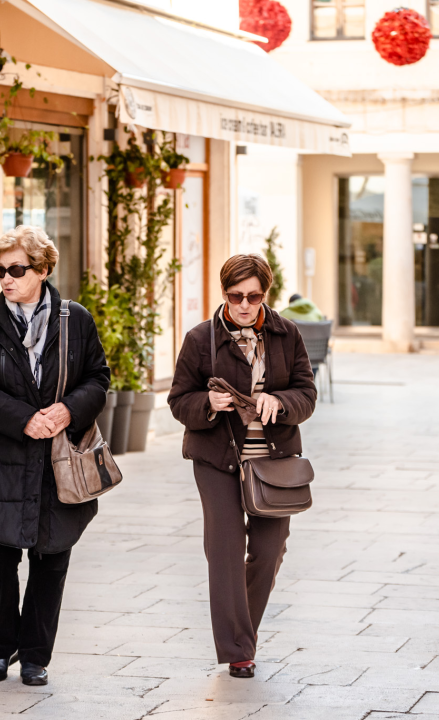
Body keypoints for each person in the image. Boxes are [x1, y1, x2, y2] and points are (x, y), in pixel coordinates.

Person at [0, 225, 110, 686]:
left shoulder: (74, 319)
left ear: (42, 270)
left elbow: (98, 378)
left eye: (16, 270)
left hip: (59, 461)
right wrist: (24, 418)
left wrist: (67, 410)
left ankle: (37, 656)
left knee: (52, 555)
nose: (5, 278)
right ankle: (0, 651)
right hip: (1, 460)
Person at [168, 254, 316, 679]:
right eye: (236, 296)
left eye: (254, 296)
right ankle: (239, 650)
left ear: (265, 294)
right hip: (216, 459)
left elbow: (306, 392)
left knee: (269, 551)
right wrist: (206, 404)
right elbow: (179, 400)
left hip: (274, 462)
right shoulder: (200, 339)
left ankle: (239, 630)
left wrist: (281, 401)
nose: (245, 305)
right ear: (224, 294)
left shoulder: (287, 334)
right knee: (225, 551)